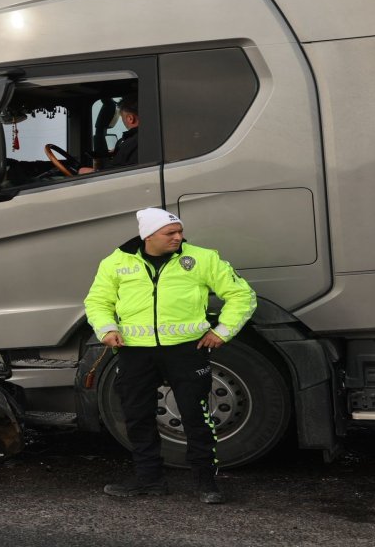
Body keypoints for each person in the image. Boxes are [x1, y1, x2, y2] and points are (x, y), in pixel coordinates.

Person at [83, 208, 256, 504]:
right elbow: (97, 301)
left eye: (179, 231)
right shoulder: (116, 262)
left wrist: (222, 332)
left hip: (187, 350)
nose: (179, 237)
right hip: (134, 352)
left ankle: (206, 483)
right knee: (138, 416)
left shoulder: (202, 258)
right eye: (170, 233)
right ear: (148, 236)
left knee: (196, 416)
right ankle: (148, 480)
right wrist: (107, 329)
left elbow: (242, 295)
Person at [78, 97, 139, 174]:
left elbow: (115, 174)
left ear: (130, 118)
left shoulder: (132, 143)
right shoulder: (139, 140)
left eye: (122, 117)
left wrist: (93, 171)